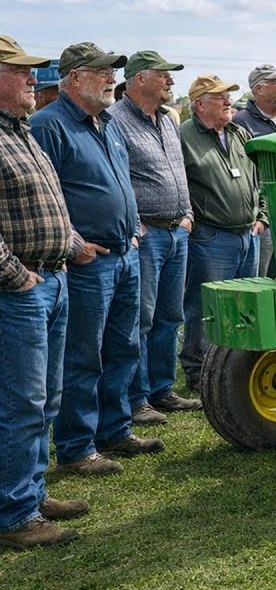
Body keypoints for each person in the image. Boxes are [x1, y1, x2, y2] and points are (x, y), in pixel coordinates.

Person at [30, 42, 164, 477]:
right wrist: (74, 245)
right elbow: (42, 198)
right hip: (89, 263)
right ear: (73, 78)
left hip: (125, 254)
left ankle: (114, 430)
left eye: (112, 71)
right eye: (102, 71)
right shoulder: (48, 125)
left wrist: (134, 227)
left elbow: (122, 182)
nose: (111, 79)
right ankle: (76, 447)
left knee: (123, 347)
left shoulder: (106, 123)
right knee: (84, 357)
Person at [0, 36, 88, 549]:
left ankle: (30, 493)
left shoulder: (22, 131)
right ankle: (15, 515)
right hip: (20, 291)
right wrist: (16, 275)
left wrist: (70, 243)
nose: (33, 78)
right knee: (22, 402)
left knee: (45, 398)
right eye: (20, 70)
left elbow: (49, 202)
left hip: (53, 281)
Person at [111, 51, 202, 426]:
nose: (170, 81)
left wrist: (188, 214)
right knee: (141, 319)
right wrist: (136, 226)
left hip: (177, 231)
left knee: (170, 315)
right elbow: (116, 178)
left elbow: (179, 172)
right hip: (146, 235)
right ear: (139, 79)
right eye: (163, 74)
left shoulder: (167, 119)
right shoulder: (115, 120)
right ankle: (137, 398)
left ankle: (162, 389)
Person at [179, 75, 267, 394]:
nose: (228, 101)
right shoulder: (184, 136)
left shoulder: (239, 133)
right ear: (200, 104)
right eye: (220, 97)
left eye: (228, 95)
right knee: (206, 308)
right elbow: (178, 184)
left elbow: (259, 178)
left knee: (244, 305)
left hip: (248, 235)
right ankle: (199, 370)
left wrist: (262, 215)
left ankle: (236, 368)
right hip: (211, 236)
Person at [233, 64, 276, 278]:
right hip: (262, 220)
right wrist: (259, 214)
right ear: (259, 89)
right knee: (260, 279)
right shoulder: (240, 123)